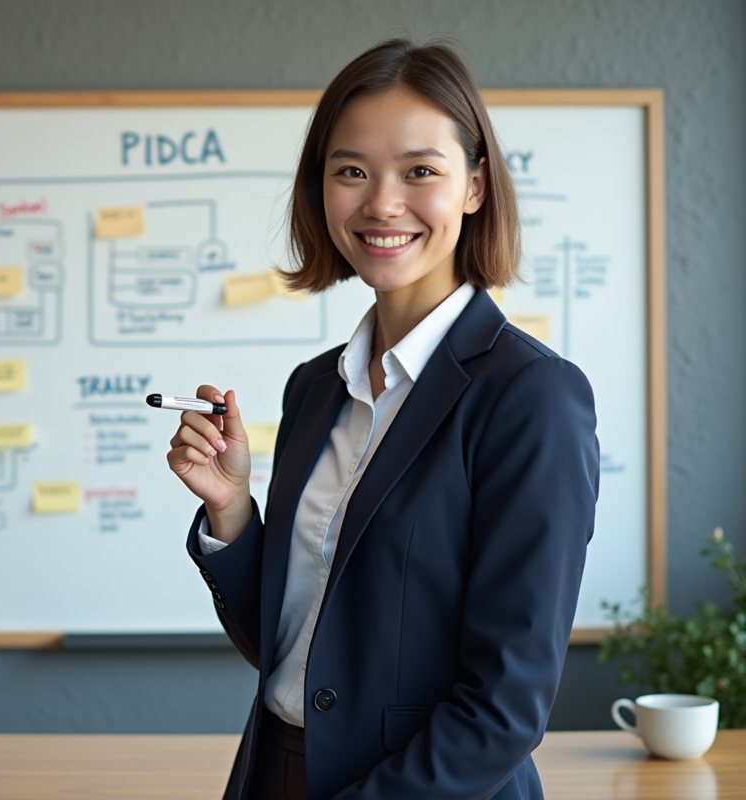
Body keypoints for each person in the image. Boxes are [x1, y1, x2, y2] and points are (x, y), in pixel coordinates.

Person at [165, 39, 599, 800]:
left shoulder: (532, 398)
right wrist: (232, 510)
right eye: (351, 171)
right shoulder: (314, 389)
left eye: (421, 171)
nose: (381, 204)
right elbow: (296, 649)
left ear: (474, 187)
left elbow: (504, 708)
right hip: (274, 772)